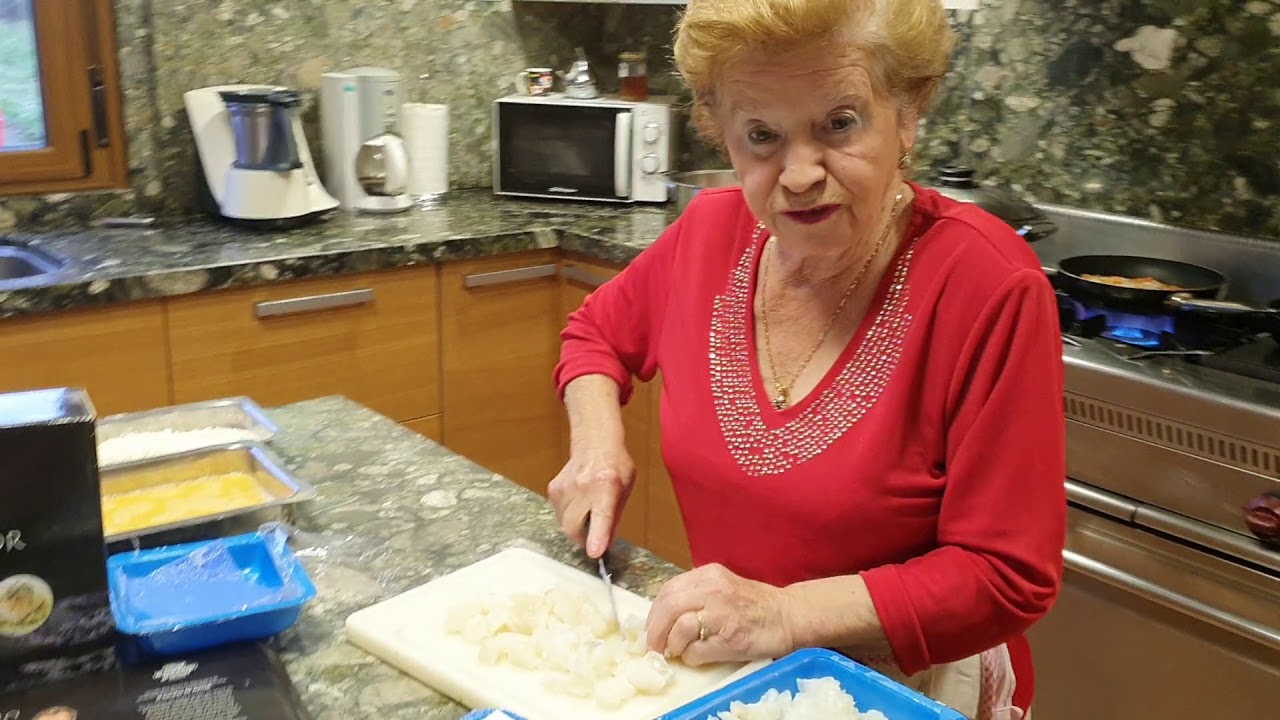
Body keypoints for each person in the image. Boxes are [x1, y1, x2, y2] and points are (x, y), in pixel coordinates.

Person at [550, 0, 1066, 716]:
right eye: (762, 134)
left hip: (904, 692)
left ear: (908, 113)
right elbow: (594, 336)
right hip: (735, 679)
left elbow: (1006, 576)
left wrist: (786, 615)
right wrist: (596, 452)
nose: (797, 174)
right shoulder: (707, 235)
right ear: (721, 131)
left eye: (840, 124)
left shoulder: (989, 286)